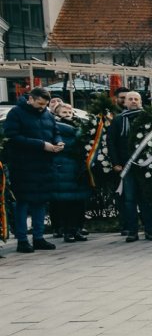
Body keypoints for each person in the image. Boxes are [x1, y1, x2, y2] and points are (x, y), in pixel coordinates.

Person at [3, 87, 62, 253]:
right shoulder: (16, 113)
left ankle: (38, 237)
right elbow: (12, 136)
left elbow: (55, 131)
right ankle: (22, 240)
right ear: (30, 99)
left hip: (44, 165)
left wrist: (58, 142)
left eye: (45, 104)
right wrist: (42, 145)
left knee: (40, 202)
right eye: (39, 103)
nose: (42, 107)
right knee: (23, 202)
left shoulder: (48, 114)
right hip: (23, 166)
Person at [107, 91, 152, 241]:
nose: (133, 101)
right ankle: (132, 231)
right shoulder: (118, 120)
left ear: (141, 102)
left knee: (146, 199)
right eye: (130, 99)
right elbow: (111, 142)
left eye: (136, 99)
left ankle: (150, 229)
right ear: (125, 102)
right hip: (126, 166)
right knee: (129, 200)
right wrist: (116, 163)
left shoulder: (148, 117)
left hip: (145, 166)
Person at [49, 100, 91, 244]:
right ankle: (68, 231)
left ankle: (78, 229)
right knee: (66, 203)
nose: (68, 115)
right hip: (64, 168)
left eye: (69, 112)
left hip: (78, 168)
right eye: (64, 112)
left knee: (79, 202)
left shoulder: (80, 126)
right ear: (56, 114)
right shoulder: (55, 127)